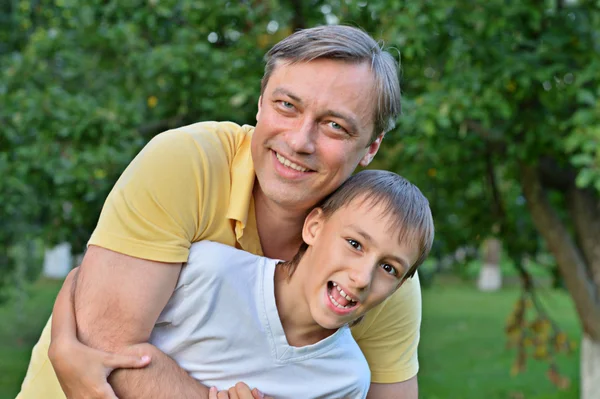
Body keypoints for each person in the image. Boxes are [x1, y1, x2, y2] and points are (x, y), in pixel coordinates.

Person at [18, 25, 422, 399]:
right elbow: (108, 349)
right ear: (261, 102)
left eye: (335, 126)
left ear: (371, 147)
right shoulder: (185, 163)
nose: (300, 140)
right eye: (287, 106)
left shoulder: (375, 262)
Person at [151, 170, 432, 398]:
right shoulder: (209, 273)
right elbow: (113, 349)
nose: (362, 278)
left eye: (388, 268)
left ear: (397, 288)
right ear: (314, 228)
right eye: (355, 244)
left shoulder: (346, 380)